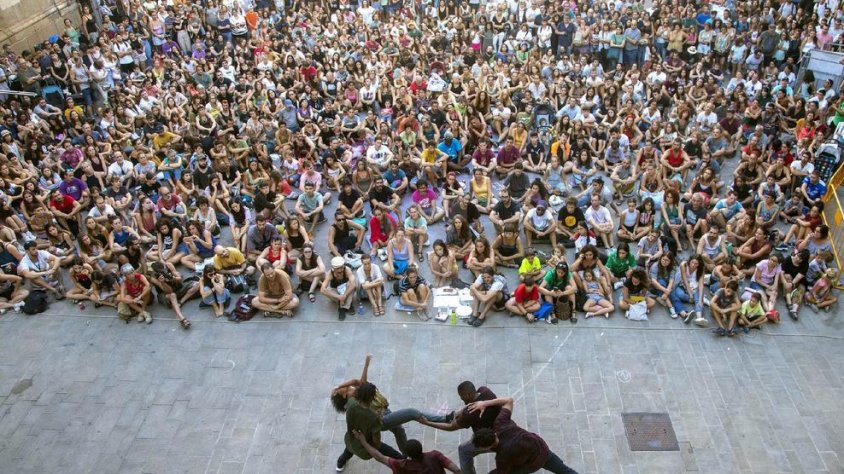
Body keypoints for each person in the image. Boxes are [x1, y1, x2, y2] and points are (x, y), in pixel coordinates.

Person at [467, 396, 579, 474]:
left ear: (487, 447)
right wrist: (484, 403)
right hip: (542, 448)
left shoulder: (502, 457)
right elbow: (509, 400)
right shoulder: (500, 423)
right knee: (564, 471)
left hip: (533, 463)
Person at [418, 381, 502, 474]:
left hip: (489, 439)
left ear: (468, 394)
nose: (461, 399)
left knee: (464, 451)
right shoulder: (485, 391)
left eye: (462, 396)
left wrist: (427, 423)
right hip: (503, 428)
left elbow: (450, 427)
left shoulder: (470, 414)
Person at [351, 432, 460, 474]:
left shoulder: (402, 465)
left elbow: (379, 457)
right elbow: (456, 469)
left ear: (407, 454)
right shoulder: (435, 455)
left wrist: (363, 441)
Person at [321, 256, 357, 320]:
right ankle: (348, 304)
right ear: (333, 268)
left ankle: (342, 308)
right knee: (327, 290)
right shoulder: (330, 274)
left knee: (351, 284)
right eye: (337, 268)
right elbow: (322, 289)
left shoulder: (347, 270)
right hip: (336, 292)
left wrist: (345, 295)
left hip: (346, 291)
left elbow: (353, 284)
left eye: (341, 268)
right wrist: (338, 296)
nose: (340, 270)